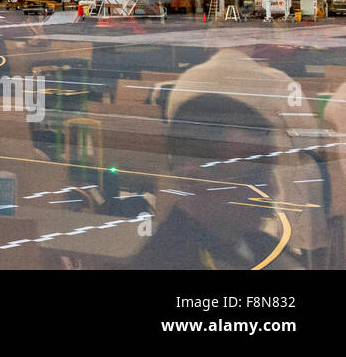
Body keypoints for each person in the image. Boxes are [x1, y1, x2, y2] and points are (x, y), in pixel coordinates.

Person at [129, 49, 304, 269]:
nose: (272, 189)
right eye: (253, 176)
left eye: (268, 172)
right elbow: (307, 139)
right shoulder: (169, 263)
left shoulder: (260, 246)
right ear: (195, 181)